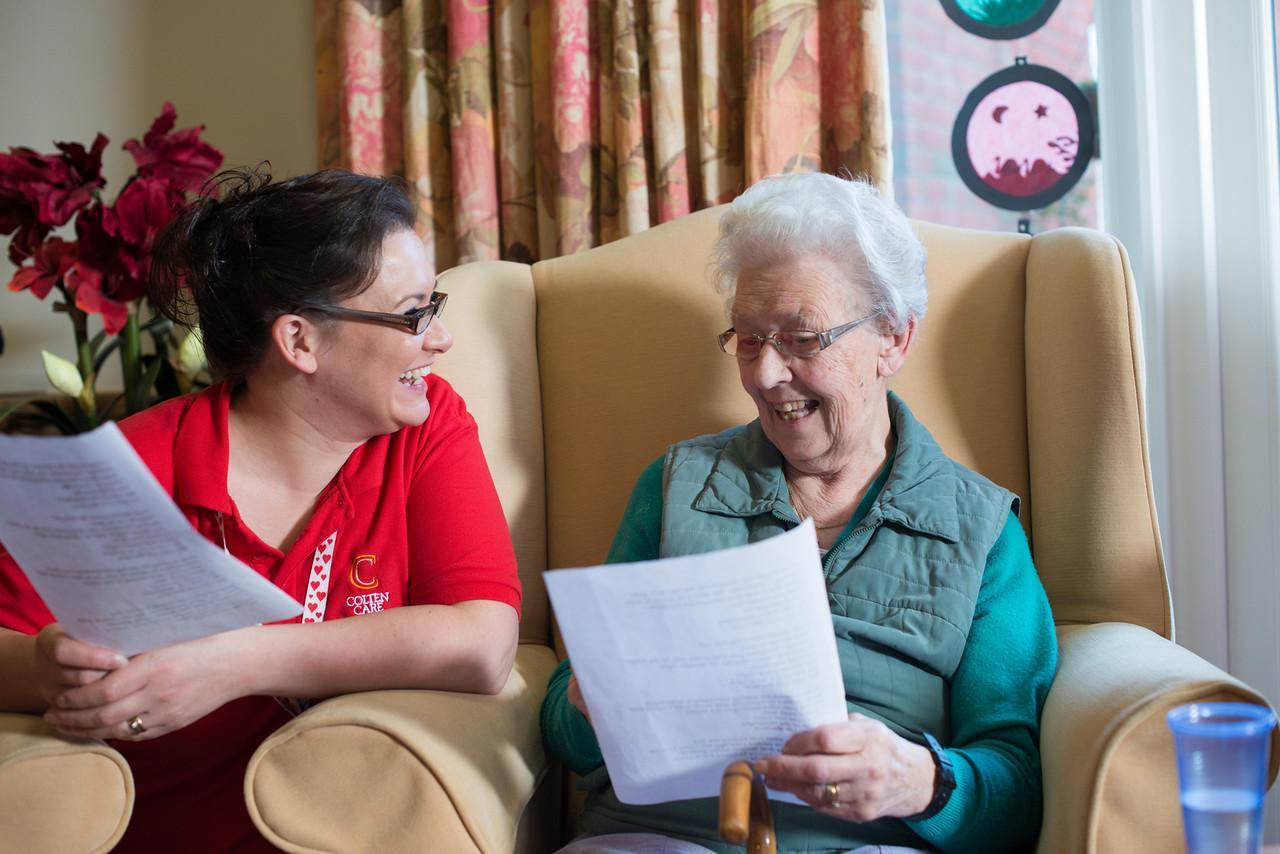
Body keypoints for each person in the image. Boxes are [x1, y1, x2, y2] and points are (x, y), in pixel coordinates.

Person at [0, 168, 522, 852]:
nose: (441, 339)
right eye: (413, 313)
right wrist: (48, 669)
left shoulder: (428, 427)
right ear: (300, 342)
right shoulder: (128, 468)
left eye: (437, 305)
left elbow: (482, 645)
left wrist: (232, 663)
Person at [541, 172, 1058, 853]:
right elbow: (563, 730)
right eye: (748, 340)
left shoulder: (981, 528)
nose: (764, 375)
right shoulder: (673, 487)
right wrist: (588, 701)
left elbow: (1017, 783)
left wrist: (922, 780)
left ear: (892, 340)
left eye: (801, 339)